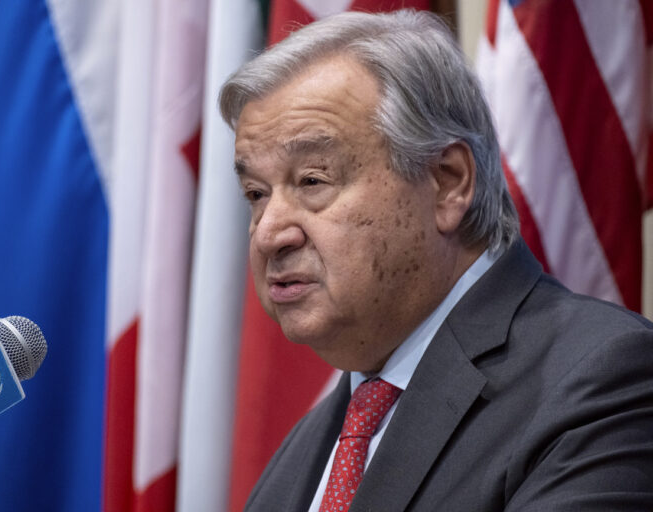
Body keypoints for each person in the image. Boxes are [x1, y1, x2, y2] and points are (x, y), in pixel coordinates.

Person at [219, 8, 653, 512]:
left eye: (312, 181)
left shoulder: (603, 382)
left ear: (448, 183)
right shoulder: (298, 460)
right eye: (255, 193)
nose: (269, 232)